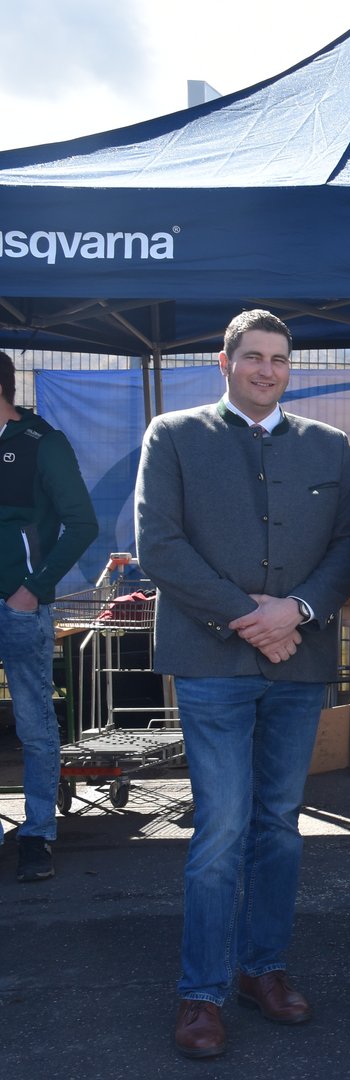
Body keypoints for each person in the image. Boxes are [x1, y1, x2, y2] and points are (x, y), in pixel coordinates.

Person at [135, 310, 350, 1058]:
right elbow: (159, 544)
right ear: (224, 362)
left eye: (279, 359)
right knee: (222, 828)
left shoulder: (327, 447)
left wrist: (296, 610)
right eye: (254, 357)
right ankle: (200, 993)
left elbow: (349, 545)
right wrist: (250, 616)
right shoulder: (174, 436)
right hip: (212, 667)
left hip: (298, 664)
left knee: (279, 827)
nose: (267, 370)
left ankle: (261, 968)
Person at [0, 350, 98, 883]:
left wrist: (32, 590)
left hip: (18, 609)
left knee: (34, 724)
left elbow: (82, 523)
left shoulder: (43, 443)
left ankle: (36, 835)